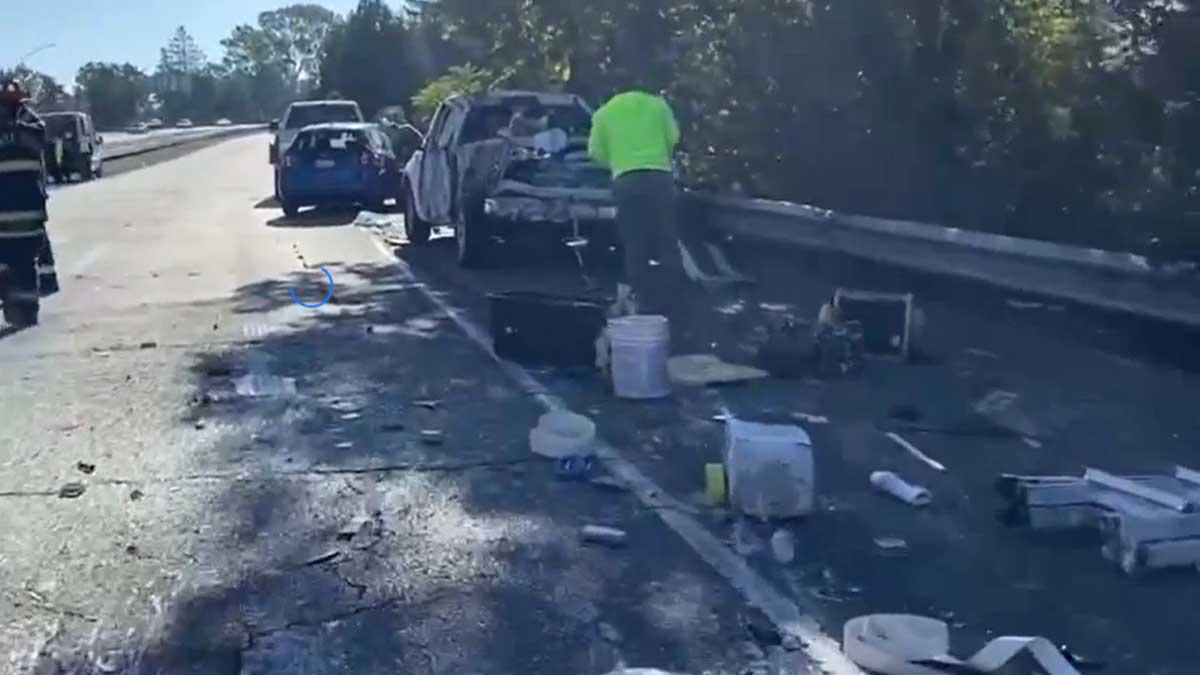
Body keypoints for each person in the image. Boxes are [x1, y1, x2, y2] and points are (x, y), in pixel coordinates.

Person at [587, 80, 683, 318]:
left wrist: (616, 162)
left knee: (635, 241)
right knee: (667, 238)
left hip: (627, 180)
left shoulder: (604, 113)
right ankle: (674, 297)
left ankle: (642, 299)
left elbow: (594, 152)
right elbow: (674, 137)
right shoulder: (658, 105)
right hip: (659, 177)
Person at [0, 79, 50, 326]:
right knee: (21, 264)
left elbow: (38, 139)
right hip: (26, 211)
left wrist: (12, 128)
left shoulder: (29, 122)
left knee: (22, 263)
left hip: (25, 212)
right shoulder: (30, 121)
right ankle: (21, 308)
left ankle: (26, 310)